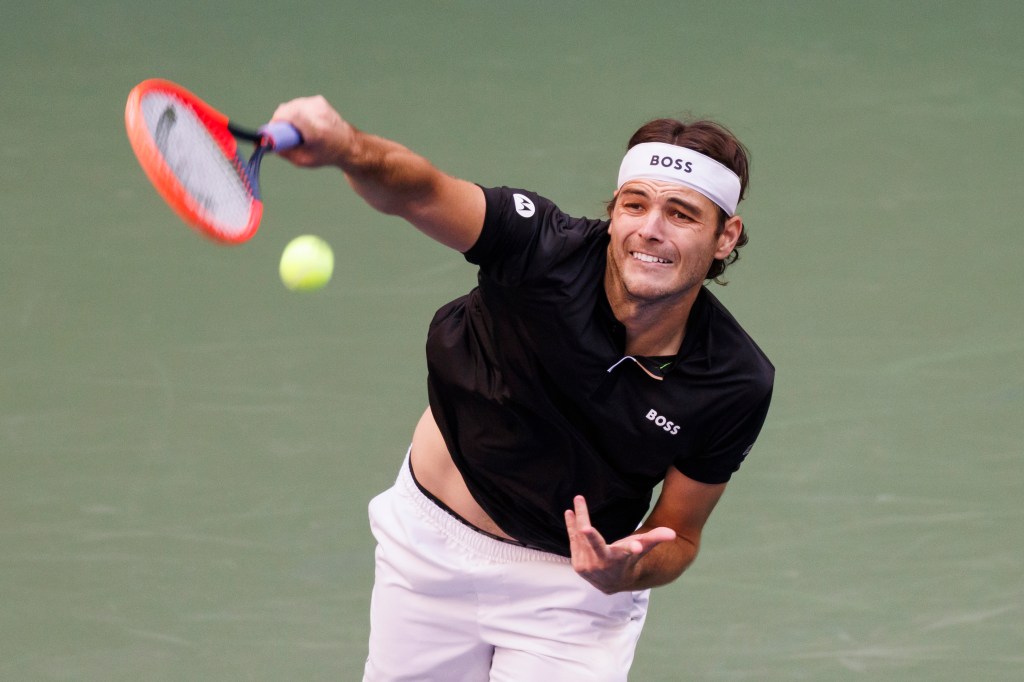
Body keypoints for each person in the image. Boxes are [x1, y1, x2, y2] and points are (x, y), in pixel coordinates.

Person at [271, 96, 774, 681]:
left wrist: (624, 572)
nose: (650, 229)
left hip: (572, 595)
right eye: (635, 204)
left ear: (724, 236)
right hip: (428, 552)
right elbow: (422, 192)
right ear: (614, 213)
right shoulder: (541, 250)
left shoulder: (734, 379)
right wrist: (347, 149)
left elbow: (679, 534)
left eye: (682, 214)